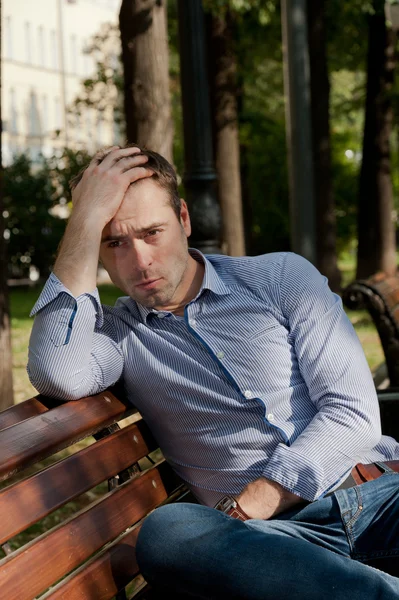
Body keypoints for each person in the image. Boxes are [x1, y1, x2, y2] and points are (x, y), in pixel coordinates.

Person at [28, 145, 399, 599]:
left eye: (152, 233)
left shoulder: (280, 278)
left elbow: (354, 414)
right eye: (114, 242)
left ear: (184, 219)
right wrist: (82, 221)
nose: (141, 260)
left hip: (375, 497)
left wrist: (249, 505)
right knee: (168, 532)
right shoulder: (117, 338)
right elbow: (56, 372)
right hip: (271, 544)